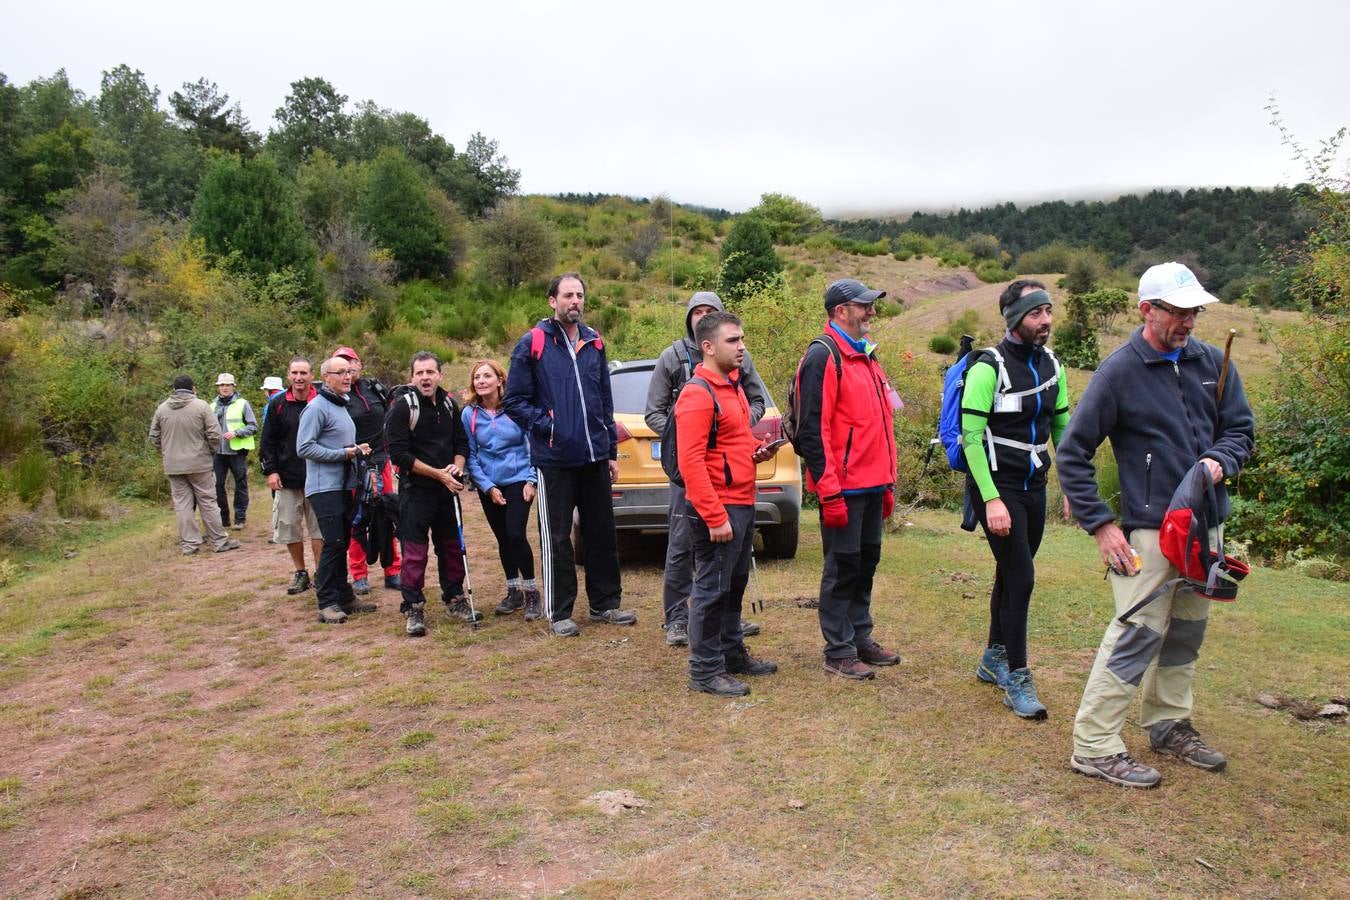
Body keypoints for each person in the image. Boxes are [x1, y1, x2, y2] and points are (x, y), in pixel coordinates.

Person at [1058, 262, 1254, 789]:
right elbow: (1072, 454)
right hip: (1147, 530)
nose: (1189, 322)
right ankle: (1095, 746)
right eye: (1177, 311)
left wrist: (1219, 462)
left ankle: (1168, 723)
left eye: (1194, 311)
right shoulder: (1118, 372)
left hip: (1205, 526)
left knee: (1187, 630)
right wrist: (1102, 526)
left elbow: (1240, 432)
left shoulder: (1213, 363)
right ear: (1147, 309)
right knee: (1136, 634)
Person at [503, 272, 635, 637]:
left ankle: (605, 604)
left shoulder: (594, 341)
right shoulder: (534, 342)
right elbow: (513, 401)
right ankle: (559, 611)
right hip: (554, 459)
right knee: (557, 537)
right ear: (552, 301)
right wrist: (549, 425)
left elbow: (604, 400)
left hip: (594, 455)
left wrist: (609, 450)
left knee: (601, 533)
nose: (574, 301)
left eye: (579, 295)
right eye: (567, 295)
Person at [961, 280, 1070, 719]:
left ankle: (993, 658)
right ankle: (1018, 678)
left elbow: (1062, 429)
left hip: (1035, 488)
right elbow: (971, 439)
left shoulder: (1053, 367)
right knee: (1022, 578)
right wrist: (990, 500)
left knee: (1010, 575)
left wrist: (1072, 488)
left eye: (1047, 311)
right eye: (1034, 313)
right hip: (997, 488)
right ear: (1014, 319)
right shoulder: (989, 367)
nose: (1045, 321)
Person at [645, 291, 769, 647]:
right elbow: (655, 412)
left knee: (728, 569)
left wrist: (741, 434)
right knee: (683, 548)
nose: (702, 316)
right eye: (697, 312)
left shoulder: (736, 367)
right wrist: (689, 430)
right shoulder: (677, 362)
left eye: (709, 311)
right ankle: (677, 621)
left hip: (732, 484)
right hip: (691, 477)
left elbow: (755, 400)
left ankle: (727, 637)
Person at [794, 279, 902, 680]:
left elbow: (882, 423)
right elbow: (811, 431)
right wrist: (828, 490)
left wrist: (888, 482)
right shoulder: (823, 356)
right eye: (864, 306)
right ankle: (838, 650)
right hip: (843, 488)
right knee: (842, 566)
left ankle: (860, 638)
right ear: (841, 311)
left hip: (872, 484)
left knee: (866, 562)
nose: (871, 312)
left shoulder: (867, 356)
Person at [675, 311, 780, 696]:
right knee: (711, 589)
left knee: (733, 586)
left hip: (741, 501)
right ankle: (704, 671)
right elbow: (691, 463)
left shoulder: (731, 388)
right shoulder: (697, 394)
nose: (742, 347)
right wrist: (714, 515)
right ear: (708, 346)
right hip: (717, 507)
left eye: (742, 339)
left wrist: (756, 450)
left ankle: (732, 655)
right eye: (733, 341)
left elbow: (730, 442)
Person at [385, 351, 479, 637]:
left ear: (440, 375)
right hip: (416, 491)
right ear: (411, 377)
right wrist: (438, 474)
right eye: (419, 373)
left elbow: (462, 444)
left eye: (430, 372)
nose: (425, 377)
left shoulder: (451, 405)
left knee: (452, 546)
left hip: (447, 490)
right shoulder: (403, 408)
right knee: (415, 552)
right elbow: (398, 454)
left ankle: (454, 599)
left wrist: (457, 467)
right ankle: (413, 606)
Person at [463, 359, 542, 619]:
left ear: (500, 380)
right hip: (489, 483)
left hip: (519, 479)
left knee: (516, 533)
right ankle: (513, 591)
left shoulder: (515, 409)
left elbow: (531, 446)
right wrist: (486, 487)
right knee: (503, 538)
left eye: (487, 376)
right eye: (477, 377)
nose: (481, 381)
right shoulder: (469, 414)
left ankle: (532, 592)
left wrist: (531, 480)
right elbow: (471, 455)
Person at [296, 356, 373, 624]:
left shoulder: (340, 404)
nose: (347, 376)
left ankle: (345, 597)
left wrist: (356, 450)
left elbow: (339, 444)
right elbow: (304, 447)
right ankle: (327, 601)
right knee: (334, 542)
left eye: (349, 372)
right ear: (326, 377)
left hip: (343, 485)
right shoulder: (316, 407)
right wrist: (344, 453)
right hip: (323, 487)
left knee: (342, 541)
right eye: (340, 372)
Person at [333, 346, 401, 594]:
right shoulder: (337, 395)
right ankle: (359, 574)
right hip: (354, 464)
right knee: (358, 519)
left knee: (388, 514)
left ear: (359, 364)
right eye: (342, 364)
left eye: (352, 362)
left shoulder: (374, 388)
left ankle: (393, 570)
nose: (348, 368)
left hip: (382, 459)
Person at [148, 374, 240, 555]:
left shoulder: (162, 409)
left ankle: (189, 544)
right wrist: (210, 453)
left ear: (174, 390)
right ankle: (219, 541)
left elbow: (154, 437)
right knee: (208, 501)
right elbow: (215, 434)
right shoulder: (202, 406)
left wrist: (167, 452)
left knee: (182, 504)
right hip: (200, 464)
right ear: (193, 388)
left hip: (173, 466)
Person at [260, 357, 323, 595]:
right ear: (288, 375)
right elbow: (267, 442)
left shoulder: (322, 401)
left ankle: (320, 572)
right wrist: (271, 471)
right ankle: (300, 572)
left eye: (303, 373)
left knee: (319, 528)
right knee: (289, 527)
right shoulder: (278, 404)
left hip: (318, 477)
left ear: (311, 375)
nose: (299, 378)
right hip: (286, 478)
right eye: (295, 373)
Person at [210, 373, 258, 531]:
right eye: (222, 385)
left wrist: (237, 432)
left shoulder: (243, 403)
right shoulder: (212, 406)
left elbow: (253, 426)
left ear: (233, 386)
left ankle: (240, 518)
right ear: (218, 387)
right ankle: (224, 519)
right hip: (218, 452)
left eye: (227, 385)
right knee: (217, 485)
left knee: (240, 484)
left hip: (237, 451)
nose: (224, 388)